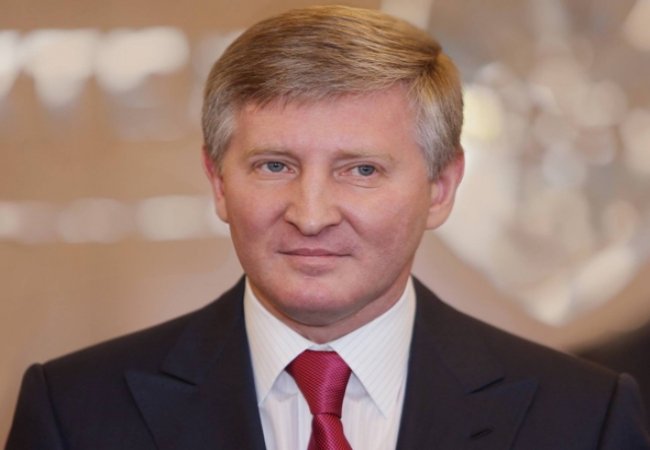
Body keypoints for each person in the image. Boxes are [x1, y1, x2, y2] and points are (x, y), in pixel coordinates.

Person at [6, 5, 650, 449]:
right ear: (218, 183)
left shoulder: (582, 418)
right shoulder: (75, 413)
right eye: (274, 165)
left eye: (361, 170)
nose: (310, 215)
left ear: (441, 188)